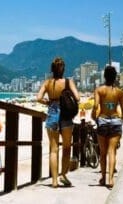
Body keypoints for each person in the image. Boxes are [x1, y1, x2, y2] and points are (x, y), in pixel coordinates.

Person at [37, 57, 80, 188]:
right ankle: (63, 175)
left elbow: (38, 98)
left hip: (52, 114)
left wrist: (48, 102)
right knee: (67, 147)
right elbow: (77, 98)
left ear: (52, 69)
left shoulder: (47, 83)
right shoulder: (68, 82)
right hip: (66, 116)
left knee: (53, 149)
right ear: (63, 69)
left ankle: (54, 181)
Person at [91, 65, 123, 188]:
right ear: (115, 77)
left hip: (103, 121)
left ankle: (103, 178)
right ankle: (111, 179)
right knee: (112, 151)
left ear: (104, 76)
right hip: (115, 121)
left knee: (103, 152)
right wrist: (121, 121)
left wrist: (94, 116)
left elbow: (96, 106)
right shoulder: (119, 92)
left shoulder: (99, 90)